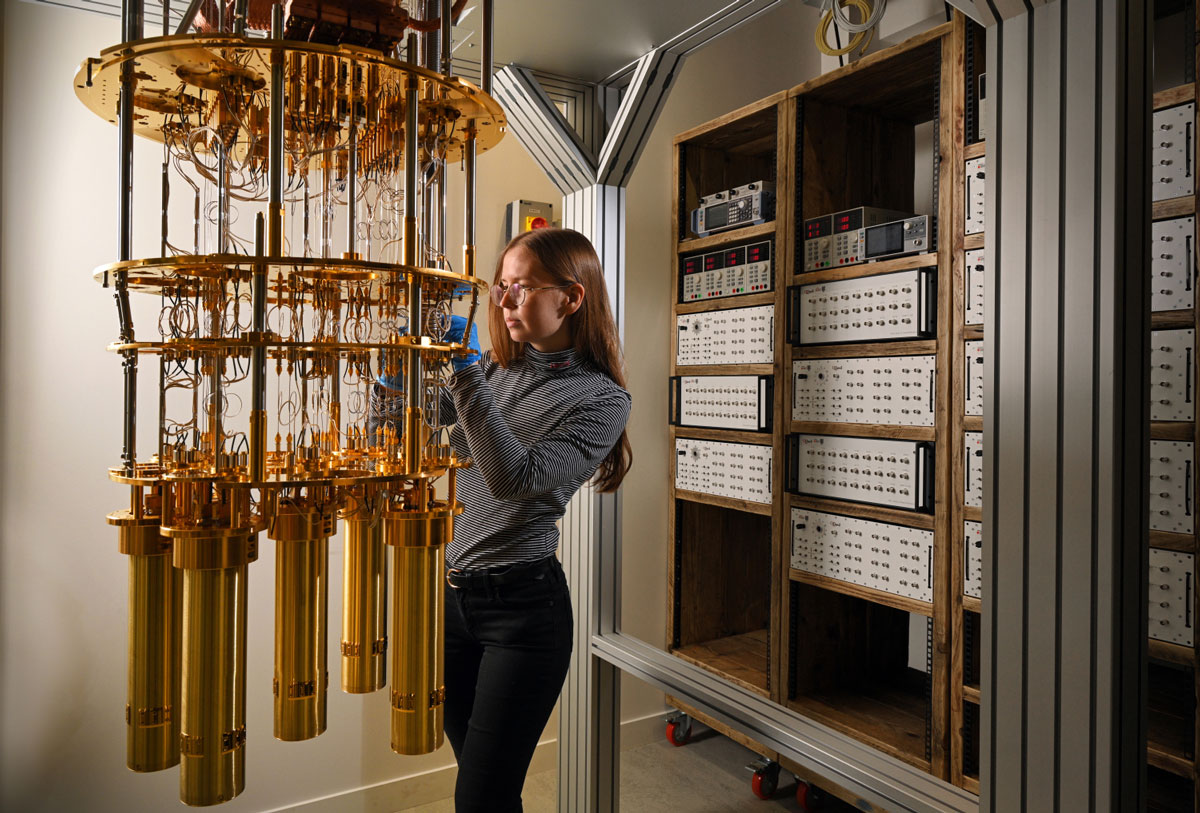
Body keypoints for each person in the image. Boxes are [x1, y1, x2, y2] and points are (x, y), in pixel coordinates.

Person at [438, 227, 632, 811]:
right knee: (483, 788)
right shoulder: (493, 372)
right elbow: (419, 441)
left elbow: (512, 478)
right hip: (450, 603)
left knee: (481, 797)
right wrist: (393, 381)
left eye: (519, 288)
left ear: (571, 298)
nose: (503, 302)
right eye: (501, 288)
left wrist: (464, 376)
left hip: (522, 615)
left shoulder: (600, 398)